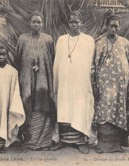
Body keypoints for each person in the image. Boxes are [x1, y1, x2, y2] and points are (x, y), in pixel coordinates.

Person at [91, 14, 129, 153]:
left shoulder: (125, 42)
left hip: (120, 87)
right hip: (104, 86)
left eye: (116, 26)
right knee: (104, 113)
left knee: (119, 112)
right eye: (111, 26)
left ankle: (117, 145)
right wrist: (94, 83)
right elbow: (93, 64)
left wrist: (128, 75)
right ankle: (102, 145)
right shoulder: (99, 43)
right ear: (106, 26)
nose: (114, 29)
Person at [53, 11, 95, 154]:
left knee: (79, 109)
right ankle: (63, 140)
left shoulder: (88, 40)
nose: (74, 25)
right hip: (65, 82)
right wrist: (56, 83)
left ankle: (80, 141)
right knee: (64, 109)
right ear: (68, 24)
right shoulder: (61, 40)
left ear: (81, 23)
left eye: (76, 22)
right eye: (71, 22)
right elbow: (57, 63)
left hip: (80, 83)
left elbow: (91, 63)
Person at [14, 11, 56, 150]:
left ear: (42, 23)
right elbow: (17, 61)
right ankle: (29, 142)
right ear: (29, 23)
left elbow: (53, 59)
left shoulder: (48, 39)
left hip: (44, 81)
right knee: (28, 105)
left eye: (39, 22)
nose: (36, 24)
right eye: (34, 22)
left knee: (43, 106)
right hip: (27, 80)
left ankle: (43, 142)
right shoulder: (22, 39)